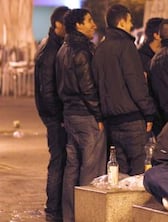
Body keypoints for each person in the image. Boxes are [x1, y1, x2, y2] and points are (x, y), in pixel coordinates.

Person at [93, 4, 156, 175]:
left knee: (119, 170)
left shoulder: (100, 49)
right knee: (138, 170)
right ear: (121, 22)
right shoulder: (126, 46)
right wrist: (148, 112)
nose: (131, 25)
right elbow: (136, 83)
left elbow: (97, 86)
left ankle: (120, 203)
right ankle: (135, 203)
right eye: (129, 21)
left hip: (111, 120)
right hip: (132, 118)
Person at [56, 9, 105, 222]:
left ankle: (70, 216)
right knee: (91, 168)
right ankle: (87, 216)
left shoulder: (63, 49)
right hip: (86, 115)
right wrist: (99, 115)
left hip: (70, 115)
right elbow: (88, 87)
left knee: (72, 168)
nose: (93, 25)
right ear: (78, 25)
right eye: (89, 21)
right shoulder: (82, 51)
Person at [34, 6, 69, 221]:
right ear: (58, 25)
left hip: (56, 117)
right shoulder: (50, 51)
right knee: (58, 161)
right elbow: (47, 91)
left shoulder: (55, 46)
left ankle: (56, 208)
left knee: (61, 160)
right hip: (56, 118)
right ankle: (53, 210)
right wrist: (58, 117)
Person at [137, 17, 164, 136]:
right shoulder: (140, 57)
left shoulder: (164, 55)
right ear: (156, 35)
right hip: (150, 113)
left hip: (163, 110)